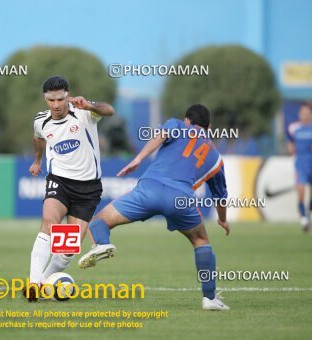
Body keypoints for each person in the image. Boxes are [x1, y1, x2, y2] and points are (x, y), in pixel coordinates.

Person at [78, 104, 231, 311]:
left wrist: (138, 159)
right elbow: (220, 195)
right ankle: (210, 298)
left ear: (187, 120)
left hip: (148, 189)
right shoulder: (216, 158)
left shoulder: (177, 124)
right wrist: (222, 219)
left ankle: (102, 244)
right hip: (181, 199)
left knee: (99, 221)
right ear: (209, 127)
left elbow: (160, 135)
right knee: (200, 240)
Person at [25, 75, 115, 301]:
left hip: (89, 189)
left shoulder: (83, 111)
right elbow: (38, 138)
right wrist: (37, 161)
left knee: (67, 251)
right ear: (45, 99)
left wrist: (91, 105)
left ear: (68, 95)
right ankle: (33, 284)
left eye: (60, 99)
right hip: (59, 182)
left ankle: (45, 282)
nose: (55, 105)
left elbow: (109, 110)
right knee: (49, 223)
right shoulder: (41, 121)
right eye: (50, 100)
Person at [287, 103, 312, 232]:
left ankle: (308, 214)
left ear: (311, 114)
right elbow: (290, 141)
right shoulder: (295, 129)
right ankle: (304, 220)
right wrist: (291, 147)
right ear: (299, 115)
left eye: (307, 113)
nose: (305, 116)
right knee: (300, 192)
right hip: (300, 164)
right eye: (303, 113)